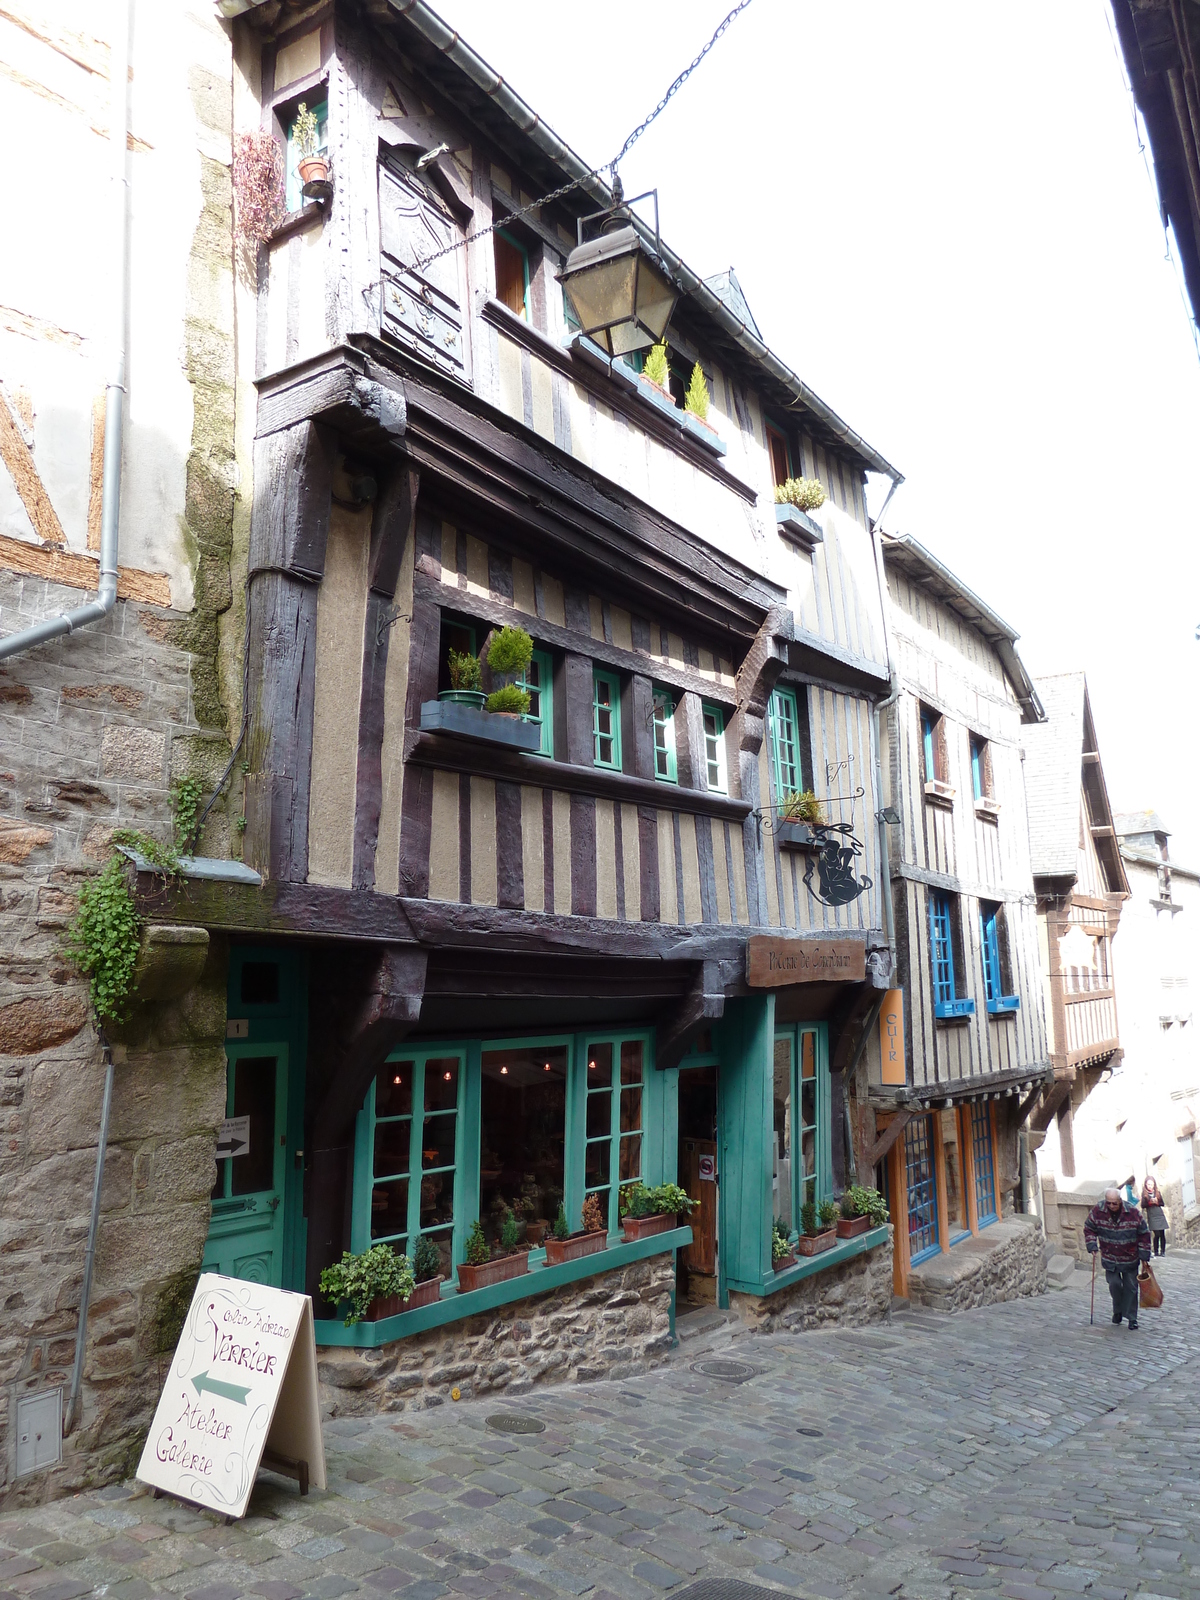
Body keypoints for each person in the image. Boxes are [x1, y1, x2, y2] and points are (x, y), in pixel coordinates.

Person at [1084, 1185, 1152, 1330]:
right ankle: (1118, 1311)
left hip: (1130, 1257)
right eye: (1108, 1203)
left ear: (1120, 1201)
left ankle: (1132, 1318)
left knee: (1131, 1288)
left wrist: (1144, 1255)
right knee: (1114, 1285)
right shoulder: (1098, 1210)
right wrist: (1092, 1245)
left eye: (1114, 1203)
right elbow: (1089, 1227)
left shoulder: (1132, 1212)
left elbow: (1144, 1233)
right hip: (1110, 1258)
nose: (1111, 1206)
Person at [1140, 1175, 1168, 1257]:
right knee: (1157, 1234)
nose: (1150, 1186)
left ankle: (1162, 1251)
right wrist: (1149, 1203)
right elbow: (1143, 1205)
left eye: (1151, 1184)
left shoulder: (1157, 1193)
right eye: (1148, 1184)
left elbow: (1162, 1203)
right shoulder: (1144, 1194)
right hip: (1152, 1216)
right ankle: (1156, 1251)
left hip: (1159, 1214)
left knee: (1162, 1233)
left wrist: (1157, 1202)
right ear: (1145, 1185)